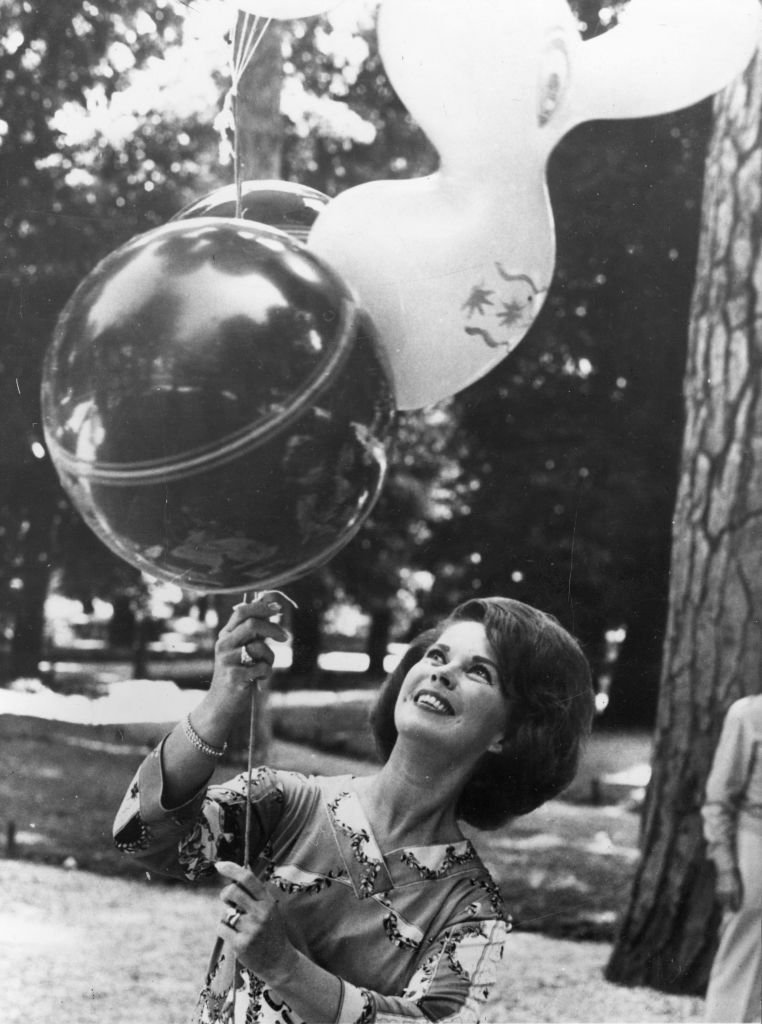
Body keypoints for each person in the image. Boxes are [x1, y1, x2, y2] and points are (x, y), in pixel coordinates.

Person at [113, 594, 594, 1024]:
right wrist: (224, 697)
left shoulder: (471, 911)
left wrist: (283, 965)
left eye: (478, 672)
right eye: (436, 655)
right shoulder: (284, 802)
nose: (441, 672)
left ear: (507, 734)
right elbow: (139, 834)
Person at [701, 695, 762, 1023]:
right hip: (756, 843)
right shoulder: (748, 714)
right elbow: (719, 797)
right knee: (742, 951)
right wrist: (725, 866)